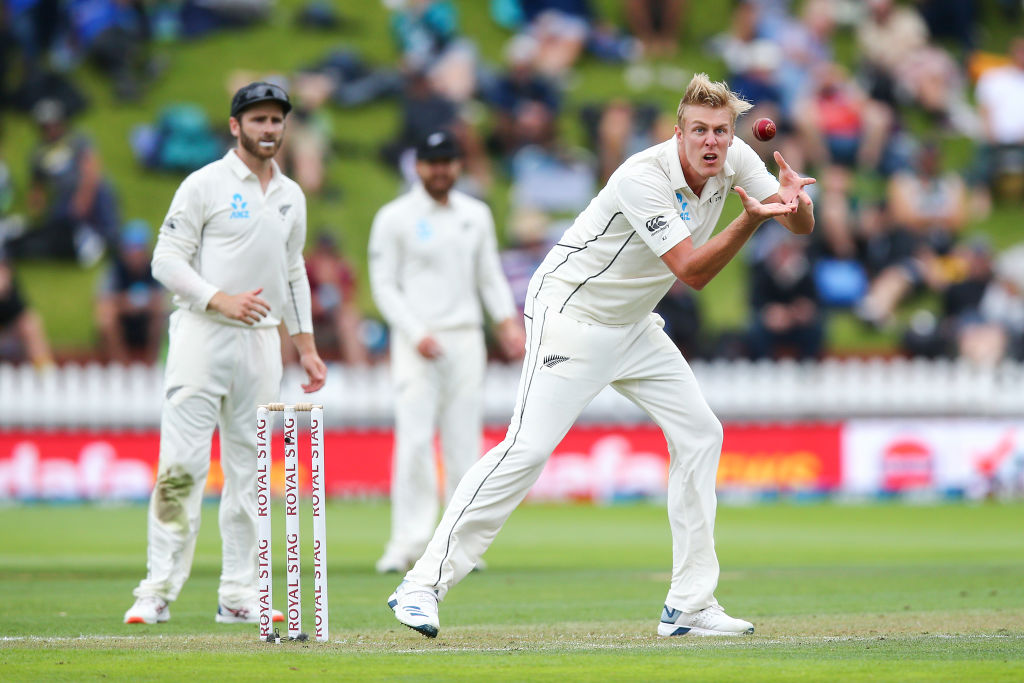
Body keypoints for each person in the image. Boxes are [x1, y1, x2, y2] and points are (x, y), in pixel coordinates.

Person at [387, 73, 814, 638]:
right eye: (699, 132)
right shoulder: (642, 175)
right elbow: (691, 271)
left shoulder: (734, 161)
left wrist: (794, 200)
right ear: (678, 132)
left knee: (700, 433)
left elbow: (799, 222)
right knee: (526, 449)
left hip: (632, 324)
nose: (712, 143)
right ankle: (420, 586)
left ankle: (689, 603)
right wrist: (750, 218)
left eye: (721, 132)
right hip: (571, 316)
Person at [123, 82, 327, 625]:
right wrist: (219, 298)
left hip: (261, 347)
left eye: (276, 121)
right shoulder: (204, 184)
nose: (268, 129)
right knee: (182, 469)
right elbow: (165, 260)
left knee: (252, 476)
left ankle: (239, 594)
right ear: (235, 125)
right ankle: (156, 590)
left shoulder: (290, 195)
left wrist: (305, 346)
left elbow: (292, 271)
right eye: (257, 120)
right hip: (200, 336)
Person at [368, 129, 526, 574]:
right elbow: (384, 285)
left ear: (458, 165)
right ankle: (408, 542)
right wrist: (415, 332)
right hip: (415, 341)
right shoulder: (394, 217)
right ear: (418, 167)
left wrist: (506, 323)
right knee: (415, 440)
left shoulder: (474, 214)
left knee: (462, 442)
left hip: (464, 336)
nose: (441, 170)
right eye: (433, 163)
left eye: (448, 162)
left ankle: (458, 546)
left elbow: (489, 275)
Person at [94, 220, 165, 364]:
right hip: (124, 323)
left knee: (161, 315)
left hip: (146, 322)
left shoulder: (156, 269)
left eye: (138, 250)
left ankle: (153, 363)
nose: (134, 255)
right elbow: (102, 301)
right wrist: (126, 304)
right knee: (106, 317)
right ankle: (121, 364)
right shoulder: (114, 270)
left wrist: (142, 304)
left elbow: (163, 299)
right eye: (131, 250)